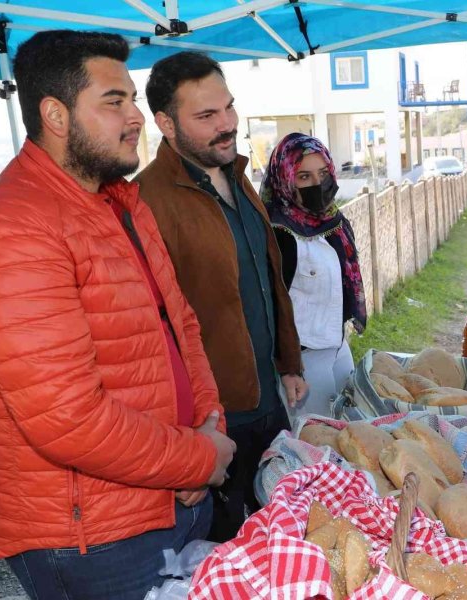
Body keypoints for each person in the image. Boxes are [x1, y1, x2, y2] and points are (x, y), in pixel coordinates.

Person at [0, 31, 237, 599]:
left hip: (171, 498)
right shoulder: (11, 229)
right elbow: (68, 419)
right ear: (56, 115)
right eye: (114, 101)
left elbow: (180, 327)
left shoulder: (119, 204)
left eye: (133, 99)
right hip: (92, 543)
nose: (136, 116)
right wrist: (196, 460)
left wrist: (207, 431)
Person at [136, 51, 307, 544]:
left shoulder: (235, 174)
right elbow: (152, 332)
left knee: (284, 537)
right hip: (213, 423)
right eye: (207, 116)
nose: (227, 124)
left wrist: (289, 361)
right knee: (231, 552)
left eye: (228, 108)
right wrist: (188, 436)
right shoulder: (146, 200)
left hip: (269, 399)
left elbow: (267, 276)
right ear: (166, 123)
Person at [260, 133, 367, 416]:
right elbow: (270, 308)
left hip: (339, 347)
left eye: (322, 173)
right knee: (315, 442)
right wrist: (288, 367)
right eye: (304, 177)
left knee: (348, 430)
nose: (317, 185)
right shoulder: (278, 233)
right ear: (285, 180)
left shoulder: (334, 222)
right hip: (304, 363)